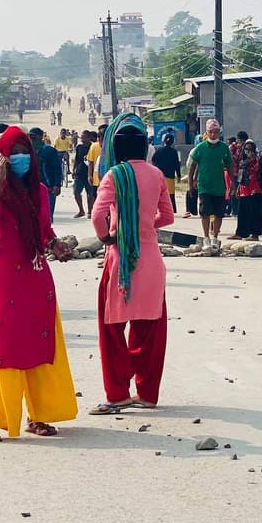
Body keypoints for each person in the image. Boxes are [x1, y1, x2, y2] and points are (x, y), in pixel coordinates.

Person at [0, 127, 78, 443]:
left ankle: (39, 414)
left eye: (25, 152)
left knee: (40, 340)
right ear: (1, 157)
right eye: (13, 153)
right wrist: (0, 182)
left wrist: (54, 244)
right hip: (4, 276)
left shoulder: (38, 189)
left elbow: (43, 228)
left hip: (35, 271)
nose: (21, 158)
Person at [87, 115, 174, 414]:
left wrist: (109, 236)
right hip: (150, 259)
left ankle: (118, 394)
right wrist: (144, 226)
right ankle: (147, 394)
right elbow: (168, 216)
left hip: (120, 259)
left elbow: (97, 216)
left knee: (112, 328)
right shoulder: (156, 174)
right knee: (149, 330)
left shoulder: (114, 175)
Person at [188, 119, 233, 250]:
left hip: (219, 187)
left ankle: (215, 237)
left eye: (216, 132)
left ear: (219, 132)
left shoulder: (224, 148)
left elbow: (230, 166)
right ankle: (206, 237)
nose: (213, 134)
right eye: (211, 132)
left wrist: (233, 184)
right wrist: (191, 184)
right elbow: (192, 167)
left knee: (219, 214)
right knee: (205, 212)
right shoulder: (200, 148)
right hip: (204, 186)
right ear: (206, 133)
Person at [230, 138, 262, 241]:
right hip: (244, 190)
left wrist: (251, 159)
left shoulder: (256, 160)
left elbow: (257, 170)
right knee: (242, 213)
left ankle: (255, 234)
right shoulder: (242, 161)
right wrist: (238, 188)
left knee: (254, 213)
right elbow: (240, 176)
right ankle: (240, 233)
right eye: (246, 149)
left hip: (254, 189)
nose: (248, 151)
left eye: (250, 149)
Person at [29, 127, 64, 216]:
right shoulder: (27, 151)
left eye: (34, 136)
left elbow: (57, 168)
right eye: (30, 136)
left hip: (48, 187)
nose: (32, 139)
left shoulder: (49, 150)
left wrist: (57, 184)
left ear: (41, 137)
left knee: (47, 214)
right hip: (32, 187)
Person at [150, 131, 182, 214]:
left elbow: (153, 160)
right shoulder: (174, 152)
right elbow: (177, 164)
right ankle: (171, 209)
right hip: (170, 176)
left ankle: (157, 209)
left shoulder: (159, 150)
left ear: (164, 141)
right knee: (170, 194)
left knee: (159, 193)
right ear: (173, 141)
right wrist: (179, 176)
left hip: (160, 176)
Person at [72, 130, 96, 218]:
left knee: (90, 194)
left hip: (90, 174)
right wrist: (74, 169)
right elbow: (77, 159)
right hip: (79, 173)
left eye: (84, 137)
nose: (82, 139)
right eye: (81, 137)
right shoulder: (79, 147)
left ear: (89, 138)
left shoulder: (93, 147)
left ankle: (90, 211)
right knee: (76, 192)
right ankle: (81, 210)